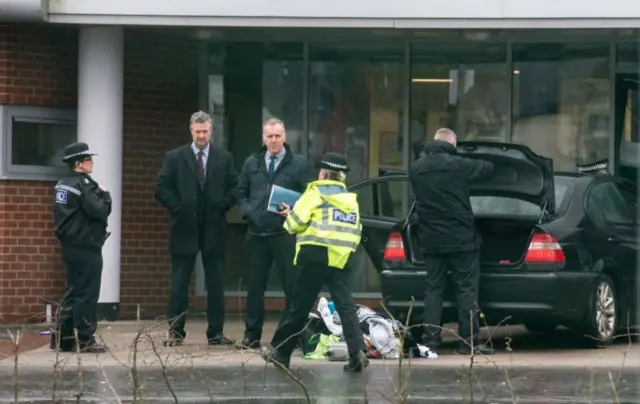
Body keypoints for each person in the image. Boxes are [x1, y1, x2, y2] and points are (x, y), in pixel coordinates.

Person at [260, 152, 368, 372]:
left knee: (298, 306)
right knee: (346, 307)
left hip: (315, 257)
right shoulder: (350, 199)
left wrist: (288, 215)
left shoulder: (315, 192)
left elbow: (294, 224)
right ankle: (357, 353)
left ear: (322, 173)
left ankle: (280, 352)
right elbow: (356, 231)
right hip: (339, 258)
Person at [409, 128, 495, 356]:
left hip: (430, 239)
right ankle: (468, 342)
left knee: (433, 290)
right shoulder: (456, 164)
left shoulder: (416, 167)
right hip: (461, 239)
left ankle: (430, 343)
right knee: (466, 289)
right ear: (451, 143)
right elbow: (487, 169)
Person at [155, 111, 238, 347]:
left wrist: (223, 205)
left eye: (205, 131)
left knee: (216, 284)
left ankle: (215, 333)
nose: (201, 135)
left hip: (214, 227)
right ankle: (175, 332)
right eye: (197, 131)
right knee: (179, 284)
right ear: (191, 131)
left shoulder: (224, 158)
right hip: (184, 227)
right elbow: (161, 187)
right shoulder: (174, 157)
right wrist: (177, 208)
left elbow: (236, 187)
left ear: (211, 131)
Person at [236, 118, 313, 349]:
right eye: (269, 136)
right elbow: (241, 192)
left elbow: (310, 196)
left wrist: (294, 208)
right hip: (257, 234)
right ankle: (252, 336)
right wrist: (249, 212)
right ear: (263, 138)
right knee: (255, 288)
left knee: (292, 287)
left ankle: (291, 336)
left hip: (284, 234)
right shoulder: (252, 162)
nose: (273, 140)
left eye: (277, 136)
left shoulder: (298, 164)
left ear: (285, 137)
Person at [51, 142, 112, 353]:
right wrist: (105, 196)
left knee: (73, 290)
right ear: (79, 164)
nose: (91, 163)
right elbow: (99, 211)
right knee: (87, 292)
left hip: (69, 246)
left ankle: (63, 337)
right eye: (88, 160)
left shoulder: (62, 183)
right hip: (87, 246)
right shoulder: (85, 184)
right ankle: (86, 339)